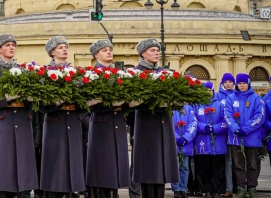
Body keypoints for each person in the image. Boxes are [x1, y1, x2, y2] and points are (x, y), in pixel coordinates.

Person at [0, 33, 38, 197]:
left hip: (22, 122)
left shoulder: (24, 71)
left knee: (21, 167)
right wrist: (5, 99)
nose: (11, 47)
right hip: (3, 124)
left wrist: (30, 99)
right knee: (2, 169)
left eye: (13, 44)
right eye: (7, 45)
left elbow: (31, 105)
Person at [131, 38, 179, 198]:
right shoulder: (136, 73)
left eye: (158, 50)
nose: (157, 53)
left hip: (163, 124)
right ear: (143, 53)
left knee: (161, 167)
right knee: (148, 168)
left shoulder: (164, 73)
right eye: (152, 50)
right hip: (146, 125)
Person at [39, 36, 85, 198]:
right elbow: (41, 105)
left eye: (66, 46)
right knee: (55, 166)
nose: (64, 49)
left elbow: (83, 101)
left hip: (73, 122)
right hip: (55, 123)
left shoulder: (77, 72)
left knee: (73, 164)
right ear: (52, 52)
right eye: (60, 47)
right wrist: (57, 101)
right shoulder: (44, 73)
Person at [86, 39, 130, 198]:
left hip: (117, 123)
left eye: (110, 49)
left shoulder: (120, 73)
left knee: (116, 170)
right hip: (101, 126)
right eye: (105, 50)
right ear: (96, 54)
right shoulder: (91, 75)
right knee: (102, 169)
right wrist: (112, 104)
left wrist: (126, 104)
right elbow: (90, 105)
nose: (109, 52)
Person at [223, 73, 265, 198]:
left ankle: (252, 188)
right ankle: (241, 188)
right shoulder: (231, 98)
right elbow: (227, 115)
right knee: (238, 164)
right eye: (240, 83)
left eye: (244, 83)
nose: (242, 86)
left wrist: (245, 129)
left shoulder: (256, 98)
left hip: (251, 137)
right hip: (235, 137)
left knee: (252, 164)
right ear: (237, 84)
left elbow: (260, 116)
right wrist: (236, 129)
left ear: (248, 84)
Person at [193, 82, 227, 198]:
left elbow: (225, 121)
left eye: (209, 90)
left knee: (218, 168)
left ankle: (217, 191)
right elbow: (193, 121)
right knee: (204, 168)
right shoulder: (197, 105)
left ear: (213, 91)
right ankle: (207, 190)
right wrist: (204, 127)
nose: (207, 93)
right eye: (205, 91)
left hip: (218, 143)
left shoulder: (220, 105)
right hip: (202, 142)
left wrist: (215, 128)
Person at [215, 73, 237, 197]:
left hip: (235, 133)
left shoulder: (237, 95)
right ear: (222, 83)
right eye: (226, 82)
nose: (228, 84)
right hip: (221, 134)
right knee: (226, 162)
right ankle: (227, 188)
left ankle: (238, 187)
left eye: (230, 81)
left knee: (238, 162)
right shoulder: (217, 96)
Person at [171, 105, 198, 198]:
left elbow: (193, 123)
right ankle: (176, 189)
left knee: (184, 167)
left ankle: (183, 188)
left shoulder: (189, 109)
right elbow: (168, 124)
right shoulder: (171, 108)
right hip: (173, 143)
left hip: (186, 143)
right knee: (174, 167)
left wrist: (186, 138)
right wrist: (177, 138)